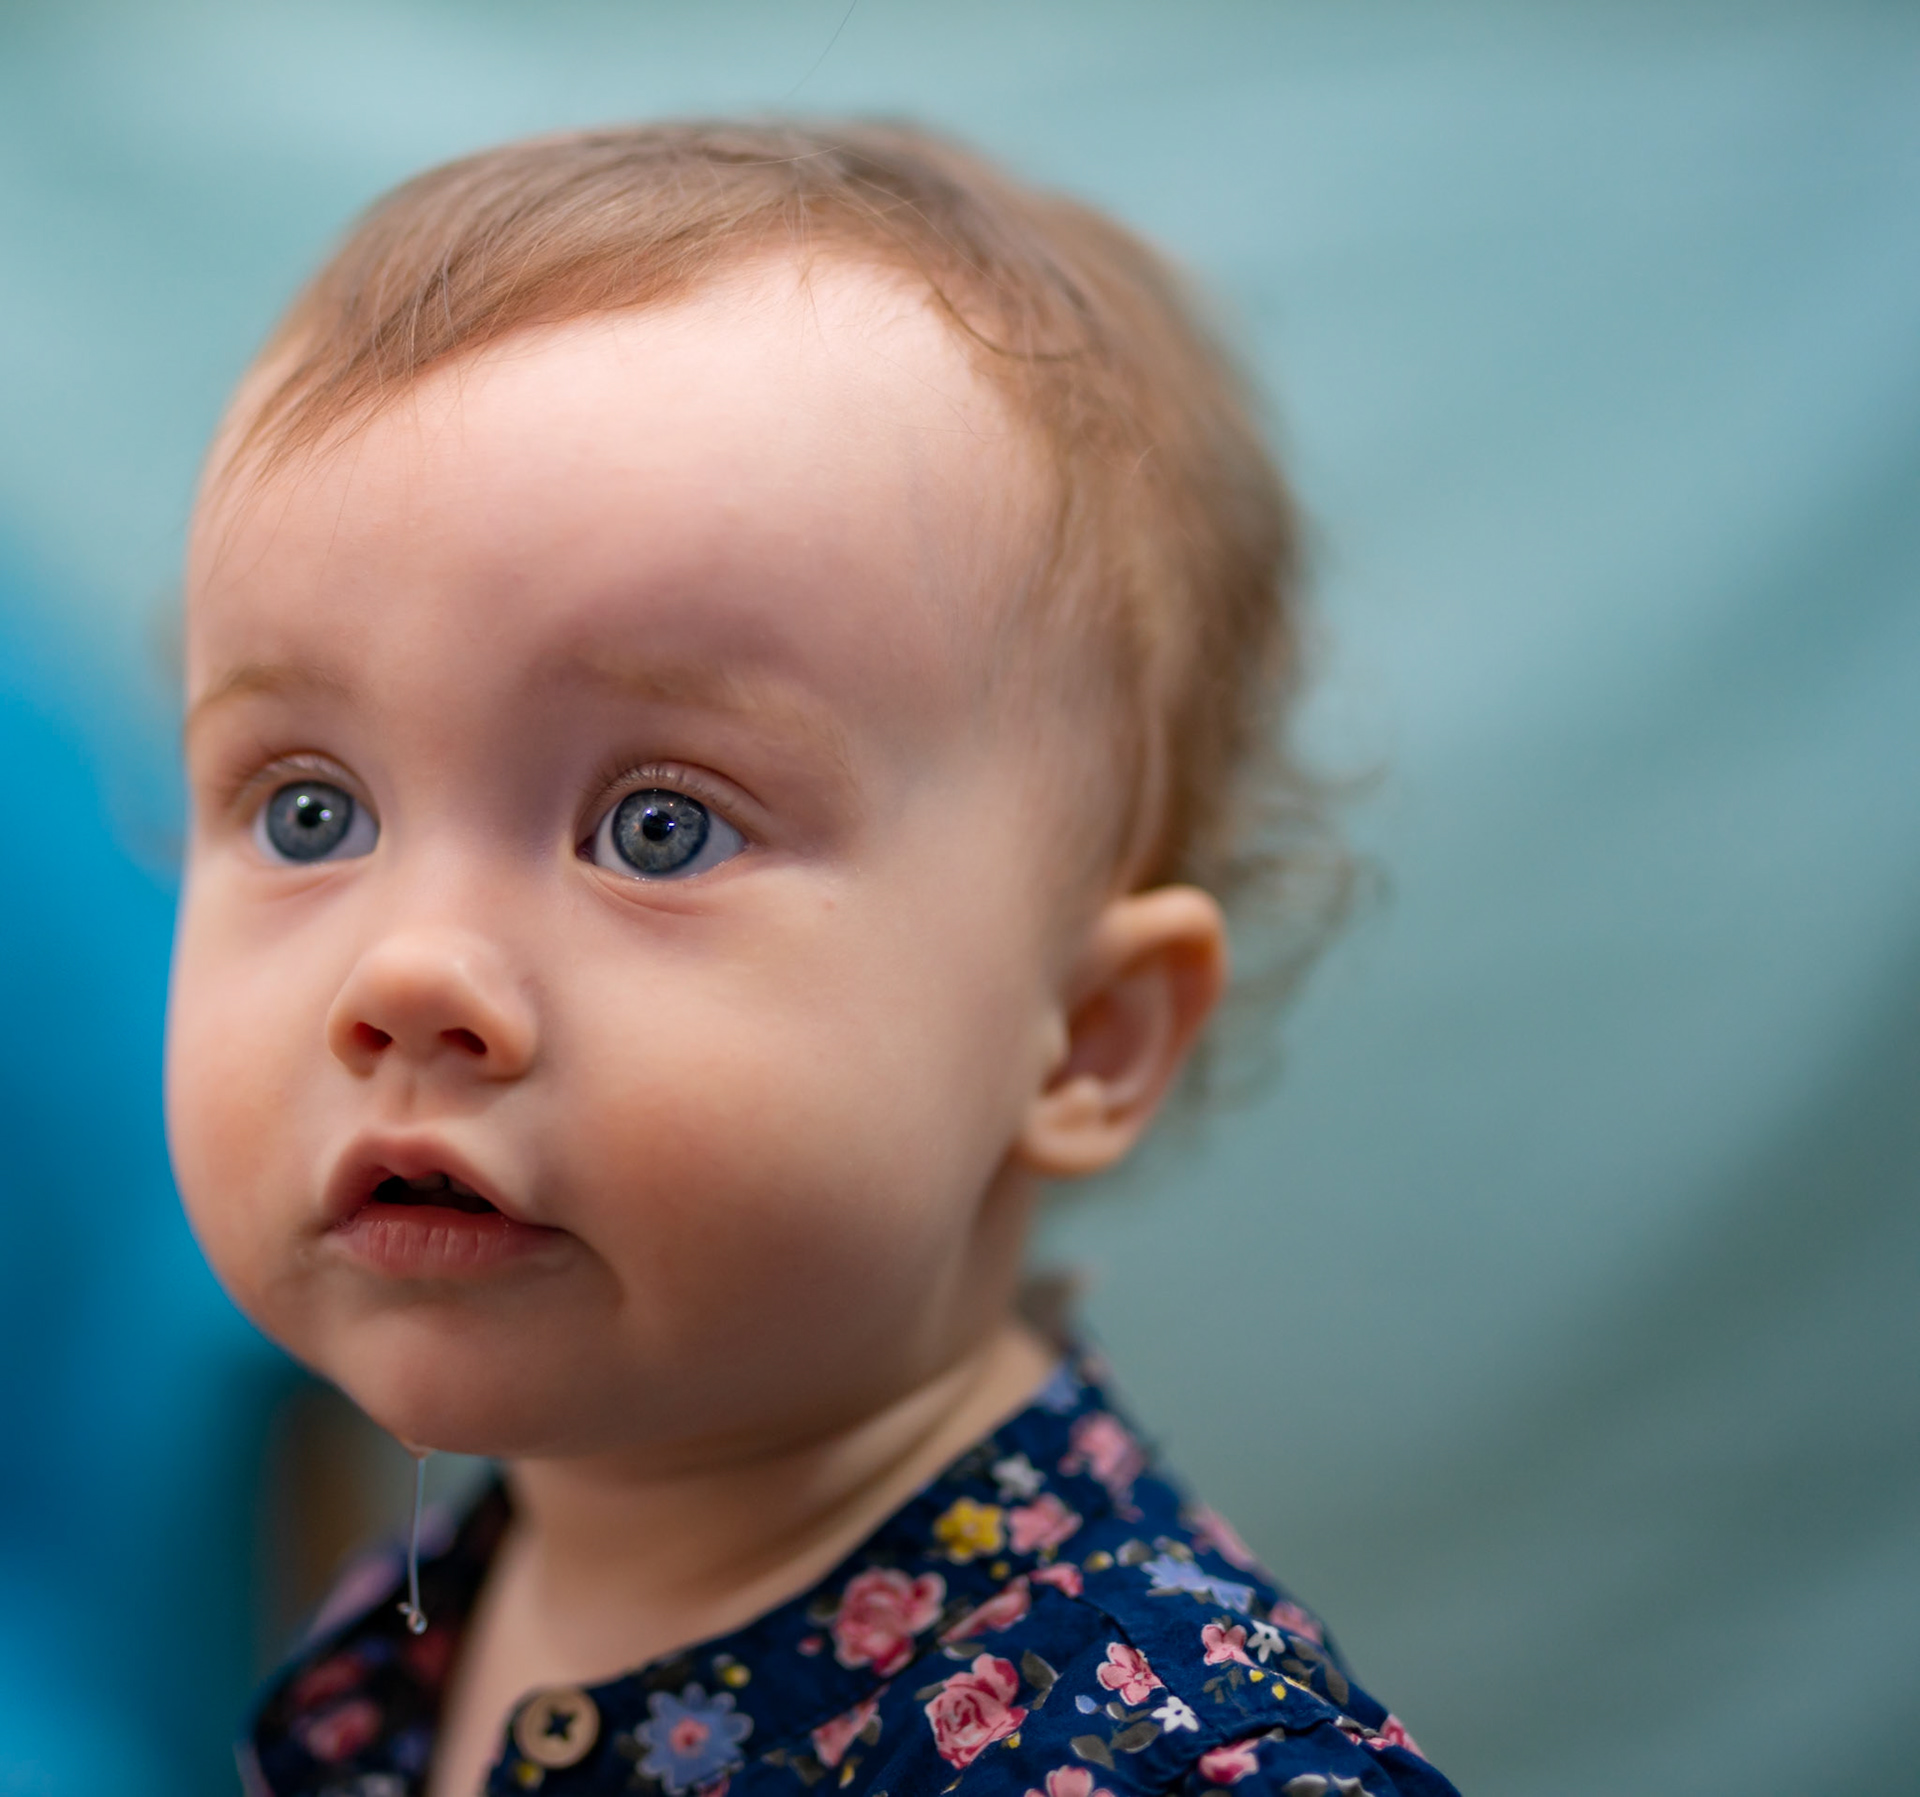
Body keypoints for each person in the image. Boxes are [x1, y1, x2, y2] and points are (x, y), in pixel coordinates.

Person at [166, 121, 1460, 1797]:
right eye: (310, 810)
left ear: (1083, 1032)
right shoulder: (429, 1599)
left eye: (659, 828)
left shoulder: (1169, 1760)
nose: (407, 974)